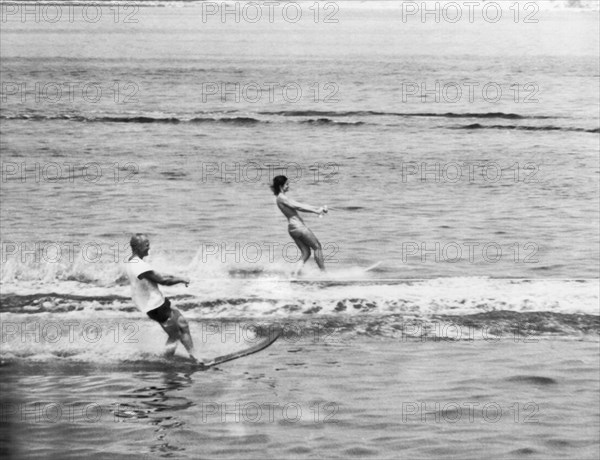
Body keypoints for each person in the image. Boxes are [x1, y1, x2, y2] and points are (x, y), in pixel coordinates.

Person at [124, 233, 199, 362]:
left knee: (183, 324)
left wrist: (174, 275)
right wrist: (181, 279)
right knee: (175, 334)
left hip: (157, 302)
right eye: (146, 245)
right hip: (154, 306)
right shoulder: (138, 266)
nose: (149, 247)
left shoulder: (134, 261)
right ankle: (167, 361)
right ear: (138, 247)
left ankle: (194, 356)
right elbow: (163, 281)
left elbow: (157, 275)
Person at [271, 175, 328, 275]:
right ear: (281, 186)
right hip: (298, 227)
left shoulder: (280, 198)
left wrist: (317, 209)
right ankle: (324, 274)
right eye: (287, 184)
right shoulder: (282, 197)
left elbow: (300, 205)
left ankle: (295, 274)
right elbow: (298, 207)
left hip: (293, 229)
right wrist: (316, 211)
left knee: (306, 252)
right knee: (317, 246)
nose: (288, 186)